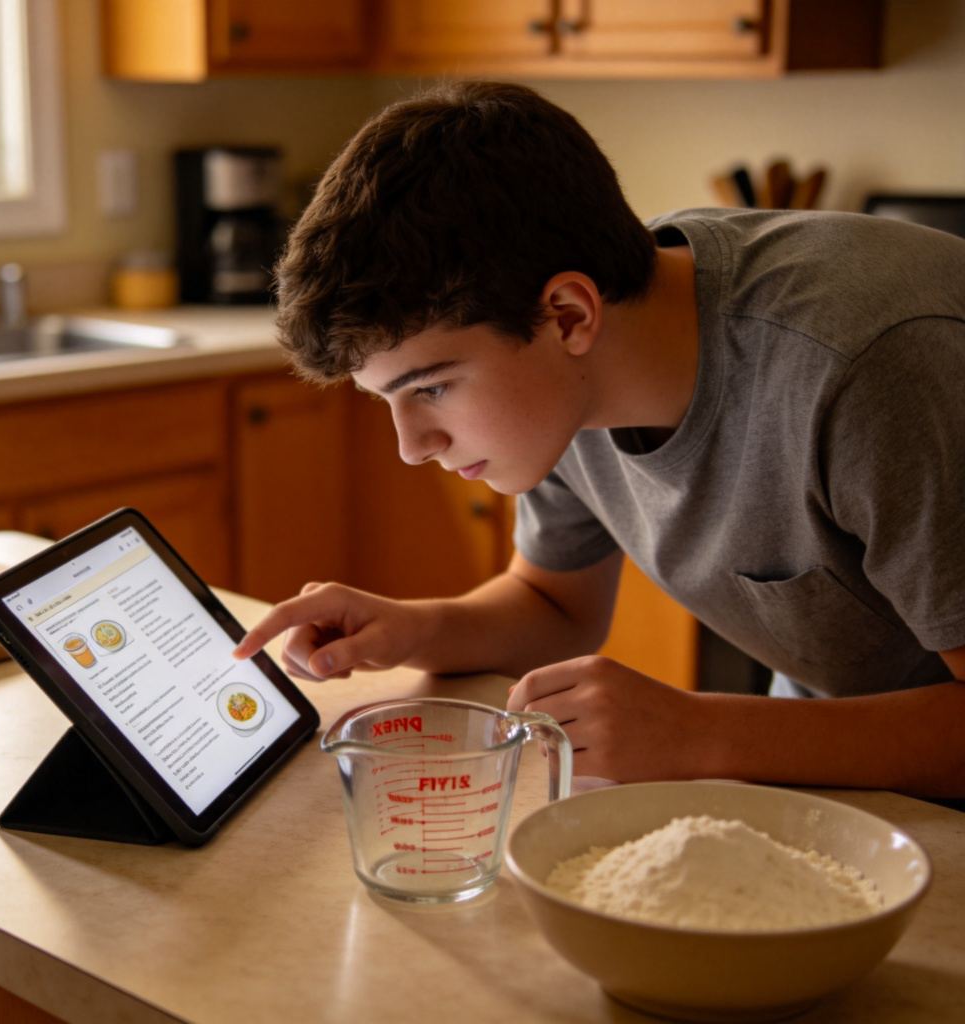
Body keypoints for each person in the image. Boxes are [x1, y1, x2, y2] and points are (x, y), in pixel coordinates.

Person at [234, 80, 965, 800]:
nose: (412, 446)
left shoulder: (870, 371)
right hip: (844, 759)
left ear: (568, 316)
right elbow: (555, 605)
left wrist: (698, 733)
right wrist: (413, 631)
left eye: (430, 388)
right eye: (387, 399)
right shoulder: (566, 381)